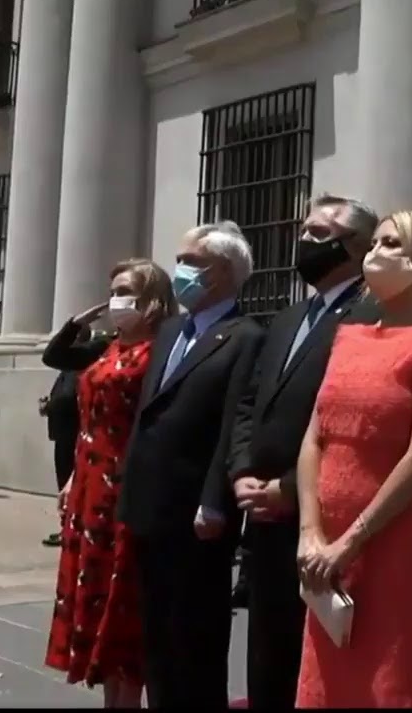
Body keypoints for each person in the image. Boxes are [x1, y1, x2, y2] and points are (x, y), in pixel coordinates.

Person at [294, 209, 412, 708]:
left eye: (392, 244)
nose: (375, 253)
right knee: (328, 682)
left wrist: (348, 543)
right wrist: (311, 533)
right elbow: (315, 438)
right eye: (373, 243)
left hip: (397, 544)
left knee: (389, 685)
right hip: (327, 542)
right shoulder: (348, 337)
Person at [228, 194, 381, 708]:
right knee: (267, 654)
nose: (305, 242)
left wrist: (291, 490)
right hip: (264, 517)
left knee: (318, 660)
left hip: (325, 517)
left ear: (357, 246)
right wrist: (243, 471)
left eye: (320, 234)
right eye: (305, 231)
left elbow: (358, 426)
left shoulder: (370, 314)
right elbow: (250, 402)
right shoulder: (290, 316)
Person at [115, 222, 266, 708]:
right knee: (157, 638)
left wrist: (215, 499)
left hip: (197, 514)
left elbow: (234, 423)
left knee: (194, 640)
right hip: (149, 506)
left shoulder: (245, 337)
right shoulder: (170, 331)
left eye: (189, 262)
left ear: (220, 271)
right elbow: (148, 412)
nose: (178, 270)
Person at [43, 258, 177, 708]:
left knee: (123, 603)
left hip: (125, 483)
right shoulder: (106, 346)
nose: (117, 300)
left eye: (126, 292)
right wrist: (79, 322)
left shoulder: (162, 350)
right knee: (95, 594)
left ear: (152, 300)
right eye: (113, 291)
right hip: (88, 483)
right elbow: (57, 356)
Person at [40, 329, 98, 548]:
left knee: (69, 483)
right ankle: (66, 526)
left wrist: (51, 405)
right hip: (63, 433)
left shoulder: (80, 364)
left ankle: (70, 528)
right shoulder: (67, 367)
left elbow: (67, 397)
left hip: (72, 434)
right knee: (64, 483)